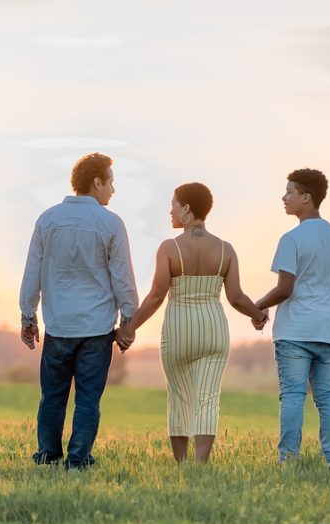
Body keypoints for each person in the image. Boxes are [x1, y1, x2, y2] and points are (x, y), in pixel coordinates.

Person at [118, 182, 268, 463]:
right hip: (213, 330)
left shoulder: (169, 248)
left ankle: (182, 464)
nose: (170, 211)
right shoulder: (226, 249)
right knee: (208, 398)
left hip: (178, 330)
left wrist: (129, 328)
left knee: (179, 398)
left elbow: (156, 296)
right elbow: (236, 297)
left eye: (173, 204)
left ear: (186, 209)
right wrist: (258, 315)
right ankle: (200, 465)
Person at [19, 152, 138, 470]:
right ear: (97, 182)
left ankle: (48, 454)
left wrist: (28, 316)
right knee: (88, 398)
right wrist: (128, 321)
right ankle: (79, 457)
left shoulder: (48, 219)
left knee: (52, 396)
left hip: (58, 326)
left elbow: (32, 273)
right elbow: (123, 278)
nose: (113, 189)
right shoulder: (111, 223)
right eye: (111, 181)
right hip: (96, 329)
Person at [254, 169, 330, 465]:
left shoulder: (292, 238)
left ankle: (289, 459)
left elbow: (285, 288)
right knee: (328, 397)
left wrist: (258, 305)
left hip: (295, 331)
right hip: (329, 330)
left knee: (293, 395)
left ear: (306, 197)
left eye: (289, 192)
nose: (284, 198)